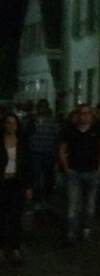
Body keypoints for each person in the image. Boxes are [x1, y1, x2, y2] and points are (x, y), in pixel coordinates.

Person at [58, 103, 100, 244]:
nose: (84, 116)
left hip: (92, 172)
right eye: (81, 113)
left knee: (90, 204)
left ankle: (86, 231)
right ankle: (71, 233)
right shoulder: (69, 131)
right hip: (74, 173)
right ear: (77, 115)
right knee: (73, 204)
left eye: (87, 113)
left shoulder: (98, 130)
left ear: (91, 115)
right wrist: (66, 168)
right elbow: (62, 150)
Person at [0, 113, 31, 265]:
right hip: (2, 183)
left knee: (16, 217)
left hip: (17, 183)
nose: (11, 126)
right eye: (8, 122)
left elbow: (27, 165)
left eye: (14, 123)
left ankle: (15, 248)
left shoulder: (22, 142)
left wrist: (28, 186)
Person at [26, 99, 59, 215]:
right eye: (40, 106)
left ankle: (46, 200)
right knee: (35, 178)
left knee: (48, 178)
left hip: (48, 153)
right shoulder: (31, 121)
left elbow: (56, 138)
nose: (42, 109)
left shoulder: (52, 122)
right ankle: (37, 201)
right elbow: (26, 135)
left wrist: (56, 156)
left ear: (47, 108)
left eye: (44, 107)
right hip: (34, 153)